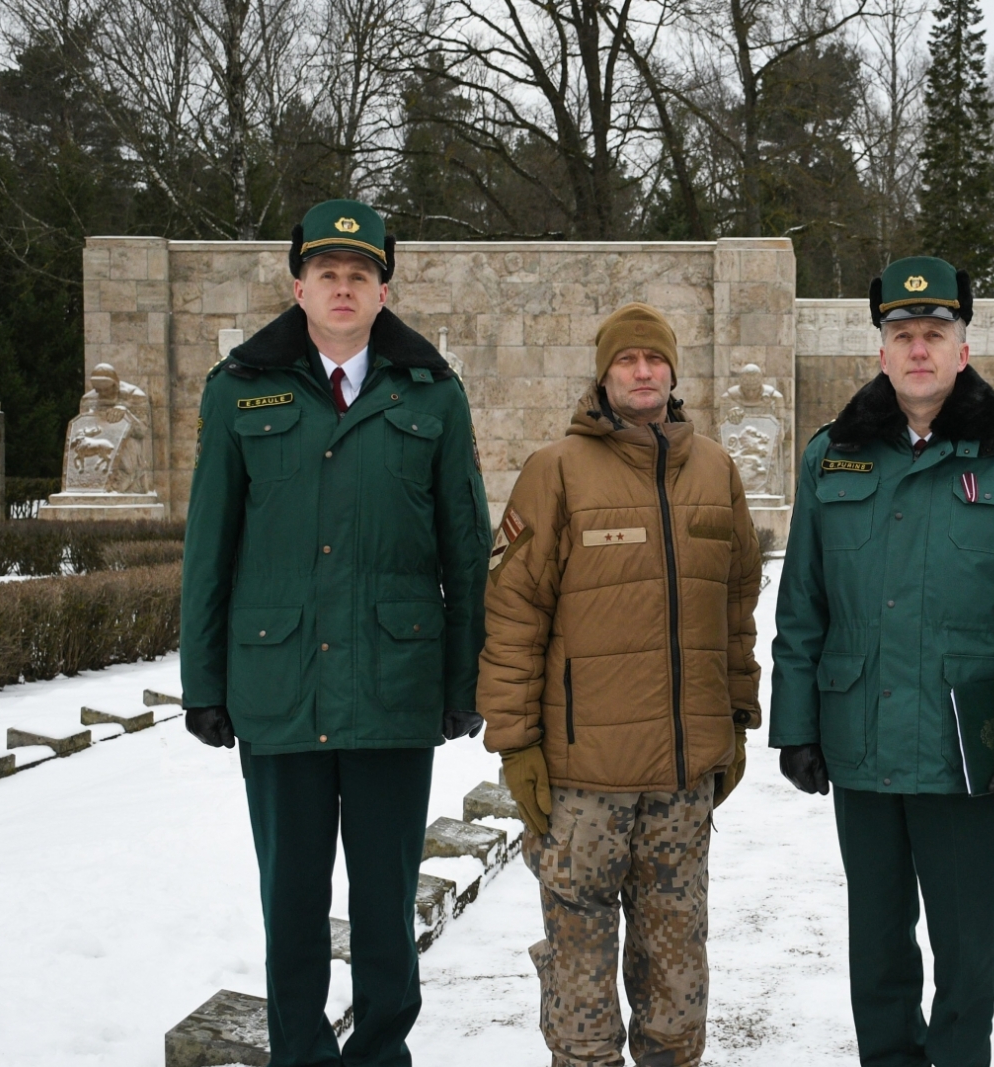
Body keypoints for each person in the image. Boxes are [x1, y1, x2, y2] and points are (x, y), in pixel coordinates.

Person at [180, 199, 492, 1065]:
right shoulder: (241, 389)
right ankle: (302, 1054)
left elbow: (466, 551)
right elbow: (210, 547)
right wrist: (202, 682)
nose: (344, 287)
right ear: (299, 285)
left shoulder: (432, 393)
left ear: (384, 290)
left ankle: (383, 1051)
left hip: (396, 690)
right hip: (279, 688)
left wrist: (464, 681)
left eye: (360, 274)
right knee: (291, 897)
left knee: (386, 900)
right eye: (328, 273)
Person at [770, 256, 994, 1067]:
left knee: (967, 952)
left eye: (934, 334)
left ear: (963, 349)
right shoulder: (831, 456)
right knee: (877, 950)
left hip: (964, 752)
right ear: (879, 351)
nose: (917, 349)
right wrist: (794, 726)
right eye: (901, 334)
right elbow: (803, 604)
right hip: (862, 740)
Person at [478, 301, 762, 1067]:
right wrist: (514, 743)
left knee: (676, 977)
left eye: (655, 359)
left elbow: (737, 606)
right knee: (581, 975)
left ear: (673, 373)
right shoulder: (556, 472)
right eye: (626, 360)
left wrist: (736, 715)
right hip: (582, 784)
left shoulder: (716, 471)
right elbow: (512, 613)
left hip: (680, 780)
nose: (643, 371)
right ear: (603, 375)